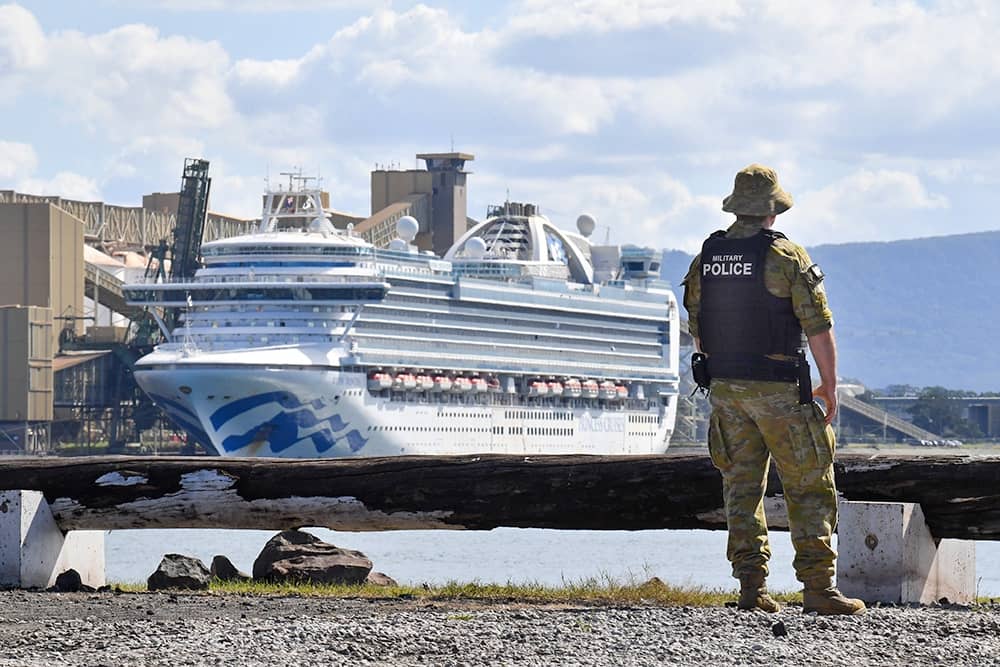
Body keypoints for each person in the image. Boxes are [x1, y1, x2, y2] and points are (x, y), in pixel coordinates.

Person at [682, 164, 866, 616]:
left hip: (725, 390)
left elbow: (699, 332)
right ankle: (818, 589)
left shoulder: (707, 258)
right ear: (772, 212)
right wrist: (830, 386)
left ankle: (751, 587)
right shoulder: (786, 257)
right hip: (780, 390)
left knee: (741, 488)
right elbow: (819, 327)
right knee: (809, 485)